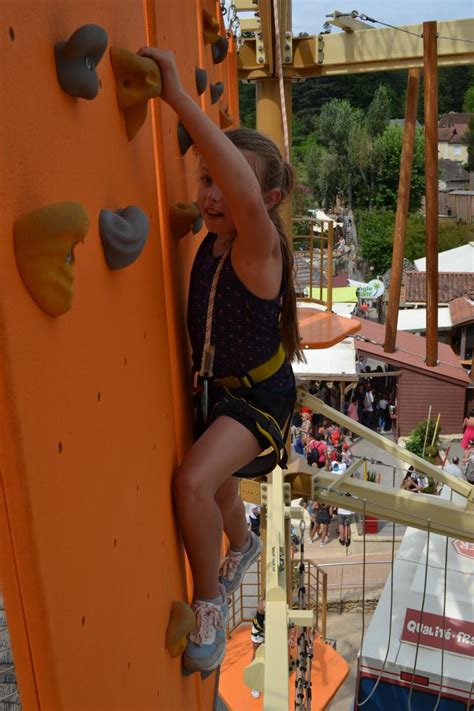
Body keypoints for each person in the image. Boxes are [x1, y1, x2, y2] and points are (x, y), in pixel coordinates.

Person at [138, 47, 302, 674]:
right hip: (217, 389)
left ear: (268, 198)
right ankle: (243, 541)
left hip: (256, 399)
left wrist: (178, 96)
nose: (211, 195)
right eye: (203, 178)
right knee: (226, 498)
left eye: (224, 183)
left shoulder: (258, 249)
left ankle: (209, 601)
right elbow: (229, 188)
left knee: (192, 483)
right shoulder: (215, 240)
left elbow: (241, 192)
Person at [249, 601, 265, 699]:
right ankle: (254, 684)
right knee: (257, 656)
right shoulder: (261, 608)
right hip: (258, 633)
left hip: (267, 630)